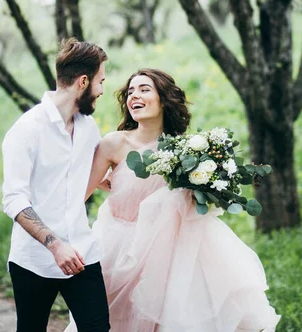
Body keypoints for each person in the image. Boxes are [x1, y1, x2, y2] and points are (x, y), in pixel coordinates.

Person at [66, 68, 280, 331]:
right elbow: (78, 195)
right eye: (130, 92)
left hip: (169, 249)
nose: (135, 96)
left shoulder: (186, 151)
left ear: (164, 98)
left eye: (144, 89)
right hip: (119, 248)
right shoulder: (114, 144)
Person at [1, 38, 110, 332]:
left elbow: (99, 176)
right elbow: (13, 199)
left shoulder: (88, 128)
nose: (101, 90)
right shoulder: (26, 130)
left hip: (83, 253)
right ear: (83, 81)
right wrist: (55, 245)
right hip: (33, 260)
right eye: (100, 82)